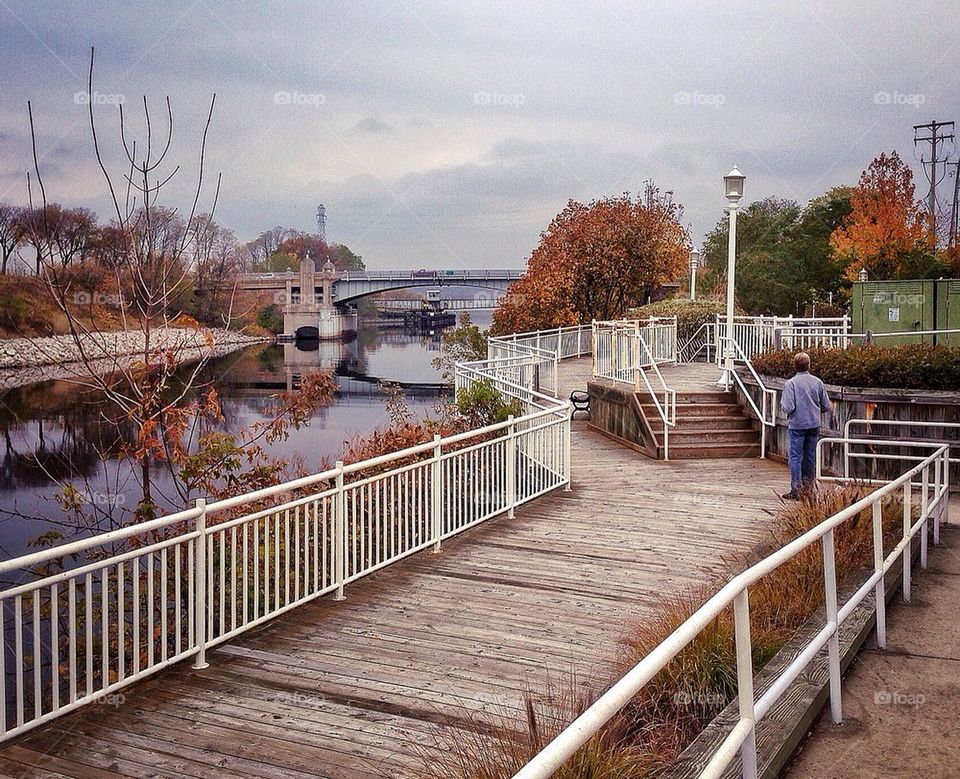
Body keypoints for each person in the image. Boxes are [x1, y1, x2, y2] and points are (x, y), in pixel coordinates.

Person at [780, 351, 831, 499]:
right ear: (809, 365)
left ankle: (796, 489)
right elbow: (826, 405)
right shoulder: (818, 382)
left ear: (795, 365)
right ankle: (808, 489)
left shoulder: (791, 384)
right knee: (810, 457)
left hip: (797, 424)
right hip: (814, 424)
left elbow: (788, 407)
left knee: (795, 457)